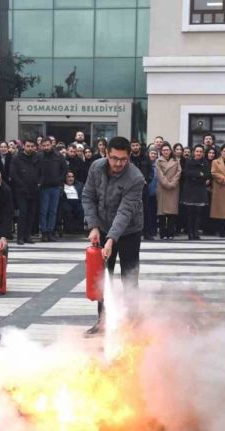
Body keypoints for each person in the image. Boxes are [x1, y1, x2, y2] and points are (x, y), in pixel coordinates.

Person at [82, 136, 145, 336]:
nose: (118, 163)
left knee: (129, 278)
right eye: (114, 158)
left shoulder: (136, 178)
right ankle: (102, 322)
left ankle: (132, 324)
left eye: (123, 159)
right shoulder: (96, 168)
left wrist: (111, 239)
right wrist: (93, 226)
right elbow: (88, 196)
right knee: (103, 278)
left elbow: (125, 212)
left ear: (129, 157)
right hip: (102, 227)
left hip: (129, 231)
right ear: (106, 154)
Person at [37, 137, 68, 242]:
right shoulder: (39, 156)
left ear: (51, 145)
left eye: (48, 145)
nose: (46, 147)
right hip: (43, 187)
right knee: (43, 211)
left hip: (55, 187)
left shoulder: (58, 156)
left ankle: (51, 231)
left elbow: (64, 169)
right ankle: (44, 232)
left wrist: (60, 180)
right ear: (41, 146)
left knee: (53, 211)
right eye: (44, 145)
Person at [10, 139, 39, 245]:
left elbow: (40, 172)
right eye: (28, 146)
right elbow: (13, 174)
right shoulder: (17, 158)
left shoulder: (36, 157)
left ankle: (27, 236)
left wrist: (39, 183)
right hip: (21, 190)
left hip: (34, 190)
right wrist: (22, 185)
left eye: (32, 146)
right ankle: (20, 237)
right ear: (24, 146)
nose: (30, 148)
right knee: (23, 213)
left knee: (31, 214)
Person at [181, 145, 210, 240]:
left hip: (200, 190)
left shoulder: (205, 163)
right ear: (194, 152)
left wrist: (197, 176)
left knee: (198, 213)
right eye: (197, 151)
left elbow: (206, 175)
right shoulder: (189, 162)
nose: (199, 153)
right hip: (190, 190)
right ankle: (190, 232)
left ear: (203, 153)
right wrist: (199, 174)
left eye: (201, 151)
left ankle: (196, 232)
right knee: (190, 213)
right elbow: (187, 174)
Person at [156, 142, 181, 240]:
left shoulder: (176, 160)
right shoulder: (158, 161)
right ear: (161, 151)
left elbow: (179, 172)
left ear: (170, 151)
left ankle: (171, 233)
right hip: (162, 188)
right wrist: (167, 184)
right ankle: (162, 233)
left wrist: (173, 183)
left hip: (173, 188)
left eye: (167, 150)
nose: (165, 152)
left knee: (172, 212)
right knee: (162, 213)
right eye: (164, 150)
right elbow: (160, 175)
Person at [130, 139, 152, 240]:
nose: (135, 147)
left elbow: (151, 172)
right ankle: (134, 233)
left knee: (146, 211)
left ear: (139, 146)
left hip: (144, 188)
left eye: (136, 145)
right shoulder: (128, 159)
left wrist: (148, 180)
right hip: (132, 189)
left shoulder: (146, 158)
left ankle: (147, 233)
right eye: (133, 145)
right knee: (133, 211)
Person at [145, 148, 159, 240]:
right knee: (147, 213)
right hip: (147, 192)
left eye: (155, 153)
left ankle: (153, 230)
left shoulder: (158, 165)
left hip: (156, 193)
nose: (153, 155)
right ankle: (147, 231)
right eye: (151, 153)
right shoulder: (146, 164)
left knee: (154, 213)